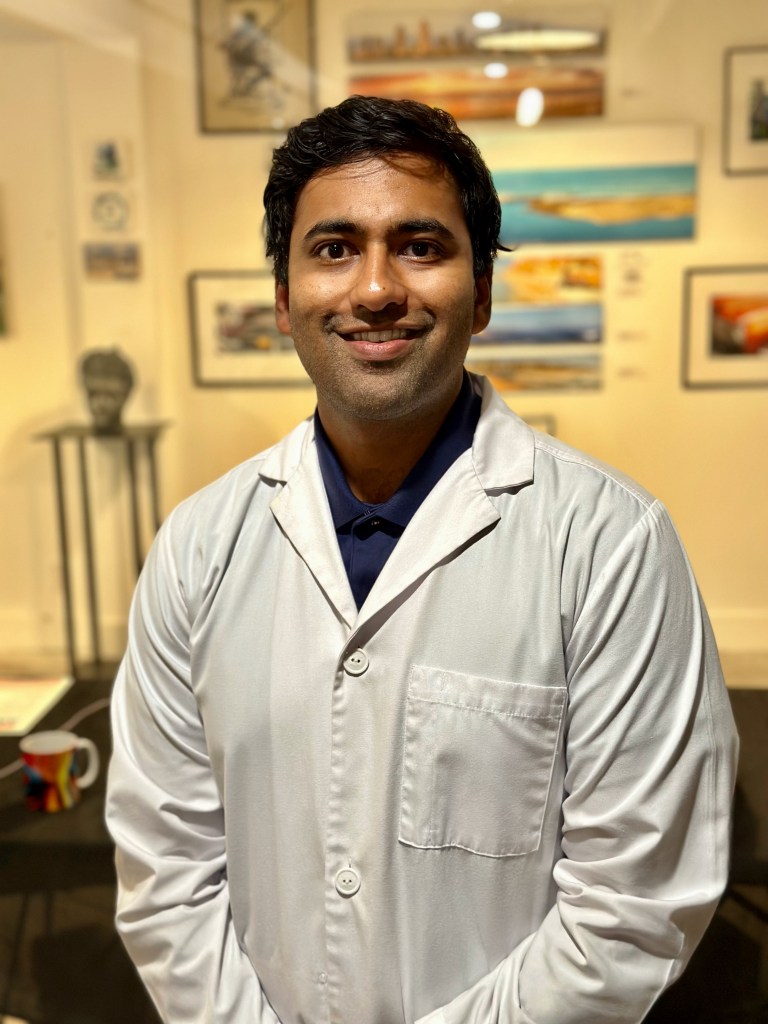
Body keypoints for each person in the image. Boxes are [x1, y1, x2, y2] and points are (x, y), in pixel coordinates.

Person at [106, 96, 738, 1024]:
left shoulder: (612, 544)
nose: (374, 289)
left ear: (480, 294)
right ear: (282, 299)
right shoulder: (197, 547)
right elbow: (167, 870)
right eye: (333, 248)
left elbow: (633, 907)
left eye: (419, 246)